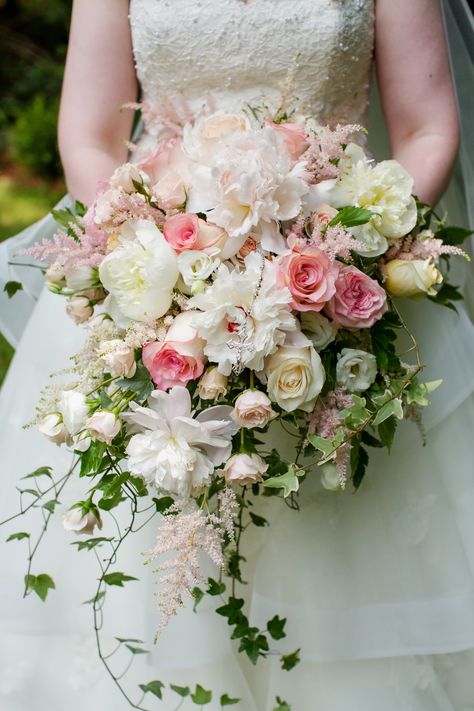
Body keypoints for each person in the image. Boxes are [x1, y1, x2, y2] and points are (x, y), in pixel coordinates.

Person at [1, 1, 474, 709]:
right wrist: (158, 266)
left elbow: (426, 127)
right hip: (158, 291)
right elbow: (90, 135)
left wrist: (345, 259)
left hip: (331, 294)